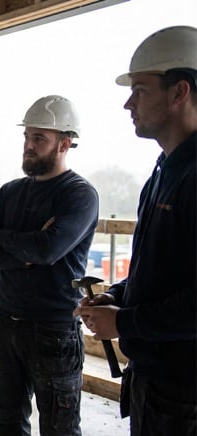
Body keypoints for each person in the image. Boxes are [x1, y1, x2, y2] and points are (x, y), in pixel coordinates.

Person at [74, 25, 197, 436]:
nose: (129, 103)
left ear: (179, 92)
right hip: (156, 381)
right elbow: (165, 268)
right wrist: (119, 295)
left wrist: (125, 323)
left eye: (141, 89)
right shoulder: (164, 171)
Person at [0, 95, 99, 436]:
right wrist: (29, 249)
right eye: (27, 137)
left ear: (65, 143)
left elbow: (48, 249)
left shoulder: (79, 195)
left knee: (60, 429)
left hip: (53, 331)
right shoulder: (10, 192)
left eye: (39, 139)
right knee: (6, 425)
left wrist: (9, 239)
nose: (28, 146)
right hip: (5, 327)